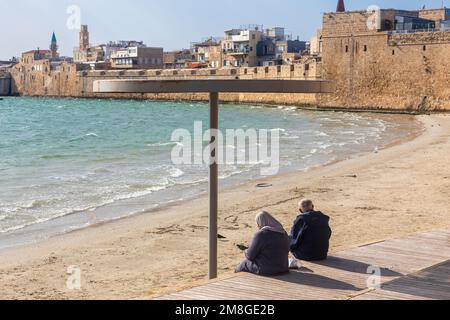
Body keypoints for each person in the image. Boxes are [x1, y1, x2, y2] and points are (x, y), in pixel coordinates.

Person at [235, 211, 290, 276]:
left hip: (267, 270)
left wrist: (245, 250)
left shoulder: (261, 234)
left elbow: (250, 256)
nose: (257, 225)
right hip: (283, 268)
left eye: (257, 223)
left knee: (243, 264)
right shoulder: (283, 232)